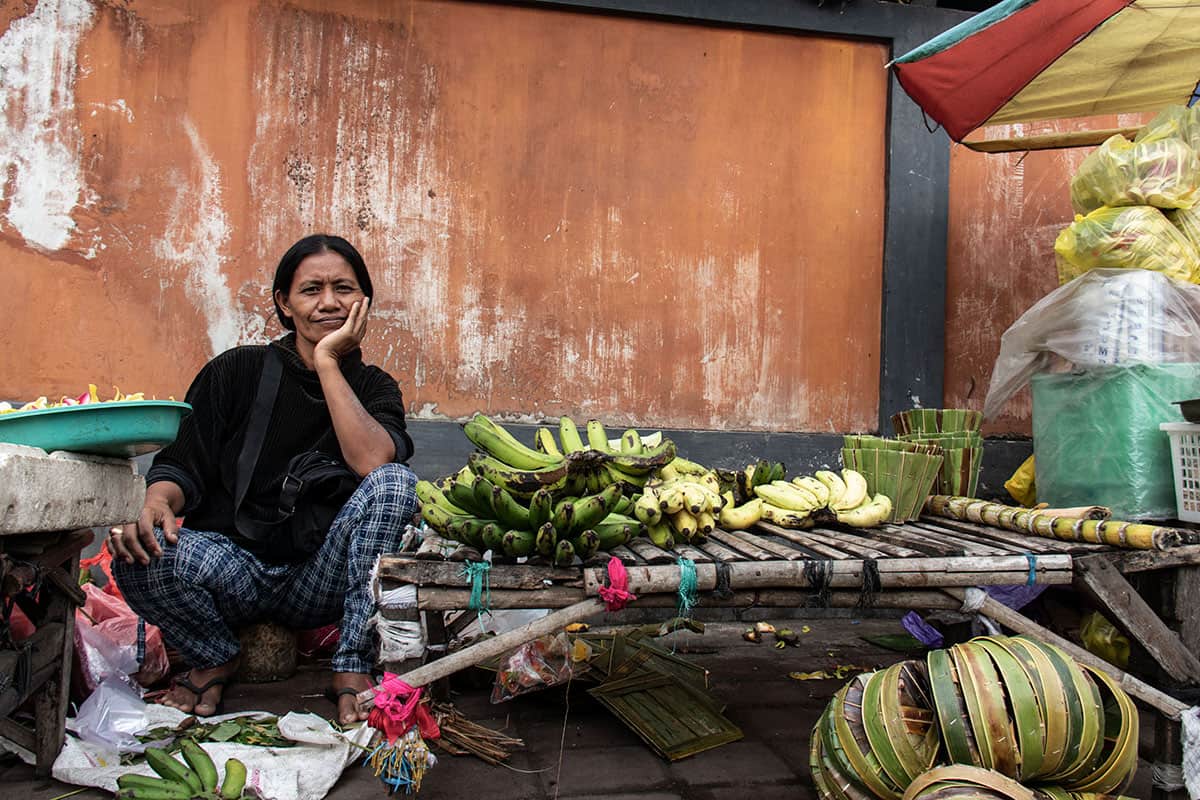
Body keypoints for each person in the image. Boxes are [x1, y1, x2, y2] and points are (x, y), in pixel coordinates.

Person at [110, 234, 417, 726]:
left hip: (322, 575)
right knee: (137, 549)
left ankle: (352, 666)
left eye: (344, 288)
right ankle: (215, 654)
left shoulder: (375, 387)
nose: (329, 303)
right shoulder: (236, 371)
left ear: (364, 301)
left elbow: (373, 463)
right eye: (311, 290)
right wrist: (157, 502)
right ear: (284, 302)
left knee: (396, 484)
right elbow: (182, 462)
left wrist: (328, 363)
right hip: (234, 567)